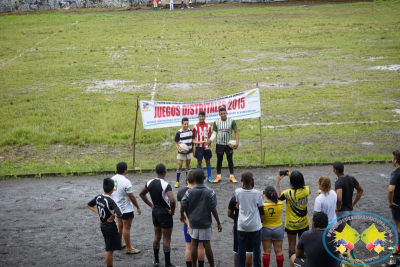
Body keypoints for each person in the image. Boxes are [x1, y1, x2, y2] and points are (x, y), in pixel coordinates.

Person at [180, 169, 222, 267]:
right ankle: (212, 265)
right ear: (204, 178)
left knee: (193, 244)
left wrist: (182, 215)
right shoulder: (210, 192)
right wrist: (218, 222)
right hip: (205, 222)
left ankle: (194, 265)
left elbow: (183, 204)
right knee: (207, 245)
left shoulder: (189, 192)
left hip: (193, 222)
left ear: (193, 179)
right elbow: (213, 209)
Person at [139, 163, 176, 267]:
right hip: (164, 212)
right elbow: (172, 200)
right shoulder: (165, 184)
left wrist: (151, 205)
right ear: (165, 172)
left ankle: (156, 260)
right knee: (166, 239)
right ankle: (167, 264)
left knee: (157, 236)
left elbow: (141, 193)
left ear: (156, 171)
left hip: (155, 211)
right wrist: (172, 212)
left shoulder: (150, 182)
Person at [87, 178, 122, 267]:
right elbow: (119, 214)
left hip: (103, 225)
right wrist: (113, 215)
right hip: (110, 226)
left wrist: (99, 214)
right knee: (109, 251)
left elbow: (89, 205)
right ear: (112, 189)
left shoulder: (99, 197)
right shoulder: (110, 200)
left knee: (108, 247)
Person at [276, 170, 310, 259]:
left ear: (292, 182)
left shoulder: (287, 193)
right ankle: (304, 262)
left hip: (291, 224)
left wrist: (278, 181)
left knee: (292, 243)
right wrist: (292, 177)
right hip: (304, 222)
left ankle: (293, 262)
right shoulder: (307, 189)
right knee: (304, 243)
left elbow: (278, 197)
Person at [111, 162, 141, 254]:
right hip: (126, 208)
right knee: (126, 228)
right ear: (125, 170)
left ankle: (119, 243)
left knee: (120, 226)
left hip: (116, 207)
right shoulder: (126, 181)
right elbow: (131, 196)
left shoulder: (112, 179)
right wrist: (137, 207)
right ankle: (129, 248)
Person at [235, 171, 264, 267]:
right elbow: (260, 207)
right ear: (252, 180)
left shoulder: (237, 191)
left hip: (242, 225)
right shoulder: (257, 193)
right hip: (255, 225)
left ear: (241, 180)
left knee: (241, 248)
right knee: (256, 249)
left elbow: (238, 202)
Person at [177, 170, 205, 267]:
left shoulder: (181, 192)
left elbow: (181, 210)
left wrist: (188, 224)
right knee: (200, 247)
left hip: (189, 223)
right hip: (201, 223)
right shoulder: (203, 191)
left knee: (189, 246)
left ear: (187, 180)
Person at [208, 107, 239, 184]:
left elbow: (235, 132)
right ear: (219, 114)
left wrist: (237, 142)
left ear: (226, 113)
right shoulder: (216, 122)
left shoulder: (231, 121)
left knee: (230, 160)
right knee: (219, 160)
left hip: (229, 144)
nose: (223, 115)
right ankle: (218, 176)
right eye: (221, 114)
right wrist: (210, 140)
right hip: (219, 144)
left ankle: (232, 176)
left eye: (224, 113)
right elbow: (214, 132)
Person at [333, 161, 363, 232]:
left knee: (339, 234)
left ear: (335, 171)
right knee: (347, 233)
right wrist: (353, 203)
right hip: (349, 210)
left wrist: (338, 207)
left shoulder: (338, 182)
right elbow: (360, 190)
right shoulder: (351, 178)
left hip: (341, 212)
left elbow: (339, 198)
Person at [227, 194, 253, 267]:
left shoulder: (235, 197)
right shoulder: (255, 197)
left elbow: (229, 214)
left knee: (236, 250)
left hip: (238, 226)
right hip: (250, 226)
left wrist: (236, 219)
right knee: (248, 251)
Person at [261, 186, 284, 267]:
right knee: (279, 251)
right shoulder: (280, 203)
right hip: (278, 228)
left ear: (266, 195)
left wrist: (262, 198)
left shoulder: (263, 205)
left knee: (266, 251)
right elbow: (279, 197)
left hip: (266, 229)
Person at [192, 111, 213, 183]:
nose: (201, 118)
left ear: (205, 117)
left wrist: (209, 145)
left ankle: (209, 177)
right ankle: (199, 178)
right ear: (198, 117)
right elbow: (193, 138)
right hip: (199, 147)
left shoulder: (208, 126)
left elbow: (210, 137)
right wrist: (194, 147)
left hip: (206, 147)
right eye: (200, 116)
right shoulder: (195, 127)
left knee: (208, 161)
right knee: (199, 162)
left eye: (202, 116)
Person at [174, 117, 194, 188]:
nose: (186, 125)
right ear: (182, 124)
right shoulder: (179, 132)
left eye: (187, 124)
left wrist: (193, 151)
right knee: (179, 166)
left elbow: (192, 141)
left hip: (189, 152)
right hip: (181, 152)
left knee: (188, 166)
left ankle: (187, 180)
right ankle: (177, 181)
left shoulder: (191, 131)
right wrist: (178, 149)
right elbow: (176, 142)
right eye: (184, 124)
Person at [388, 149, 400, 255]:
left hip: (398, 204)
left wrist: (390, 202)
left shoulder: (396, 174)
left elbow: (391, 189)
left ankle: (398, 247)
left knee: (399, 226)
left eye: (393, 158)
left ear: (396, 160)